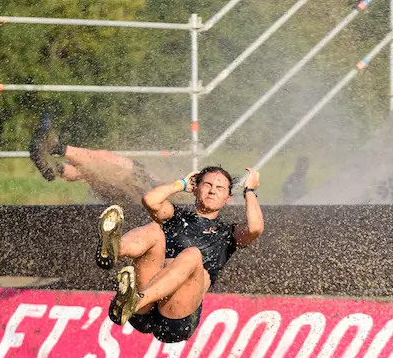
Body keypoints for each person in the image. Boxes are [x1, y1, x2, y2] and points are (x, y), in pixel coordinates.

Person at [97, 166, 264, 344]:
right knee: (154, 229)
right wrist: (181, 184)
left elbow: (255, 228)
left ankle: (134, 302)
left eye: (220, 188)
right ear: (196, 188)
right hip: (144, 310)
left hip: (176, 319)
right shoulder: (177, 216)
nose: (212, 190)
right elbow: (150, 200)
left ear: (227, 198)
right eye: (207, 184)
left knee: (192, 255)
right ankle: (113, 249)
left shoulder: (228, 233)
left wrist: (250, 190)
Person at [28, 115, 163, 209]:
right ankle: (57, 167)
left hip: (152, 190)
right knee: (91, 171)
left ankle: (56, 151)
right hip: (147, 194)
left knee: (106, 163)